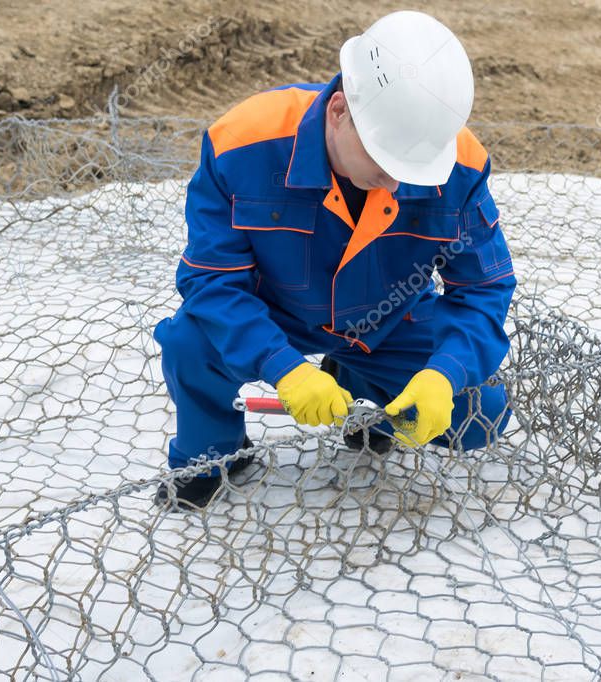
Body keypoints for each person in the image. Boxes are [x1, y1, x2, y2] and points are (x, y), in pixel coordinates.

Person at [153, 10, 516, 510]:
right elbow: (213, 282)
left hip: (390, 321)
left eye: (408, 169)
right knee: (191, 341)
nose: (393, 183)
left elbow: (482, 287)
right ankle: (214, 451)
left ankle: (357, 382)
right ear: (340, 110)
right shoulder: (244, 143)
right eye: (383, 160)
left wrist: (443, 375)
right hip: (277, 314)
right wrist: (281, 367)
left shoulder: (460, 163)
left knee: (480, 416)